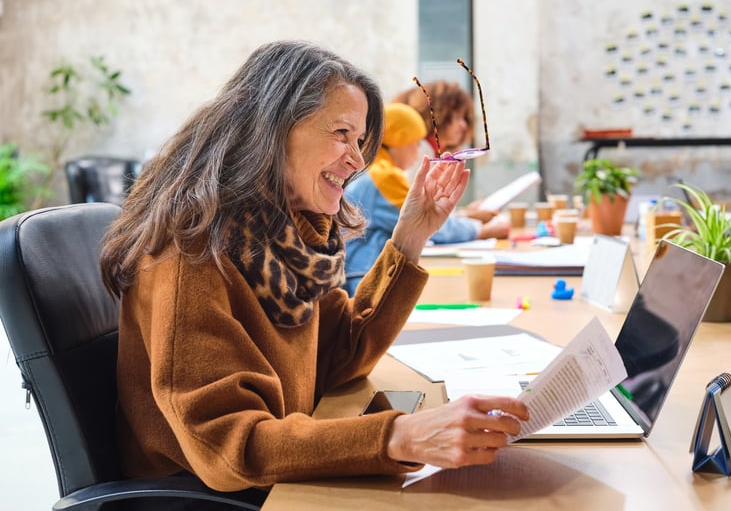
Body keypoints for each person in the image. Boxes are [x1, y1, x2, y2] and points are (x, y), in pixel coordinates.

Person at [99, 41, 528, 502]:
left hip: (279, 482)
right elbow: (227, 446)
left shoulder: (288, 235)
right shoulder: (191, 252)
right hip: (220, 498)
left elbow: (342, 353)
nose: (358, 160)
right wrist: (396, 437)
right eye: (341, 133)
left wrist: (410, 237)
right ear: (272, 129)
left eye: (360, 140)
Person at [344, 102, 510, 295]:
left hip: (357, 271)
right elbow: (424, 223)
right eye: (414, 145)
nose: (417, 154)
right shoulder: (384, 177)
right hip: (360, 279)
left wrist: (467, 217)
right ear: (399, 140)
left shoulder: (372, 170)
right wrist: (481, 230)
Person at [393, 79, 498, 224]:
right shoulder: (422, 149)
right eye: (457, 117)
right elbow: (411, 214)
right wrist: (469, 218)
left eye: (465, 118)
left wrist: (464, 213)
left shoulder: (435, 152)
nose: (463, 125)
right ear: (438, 115)